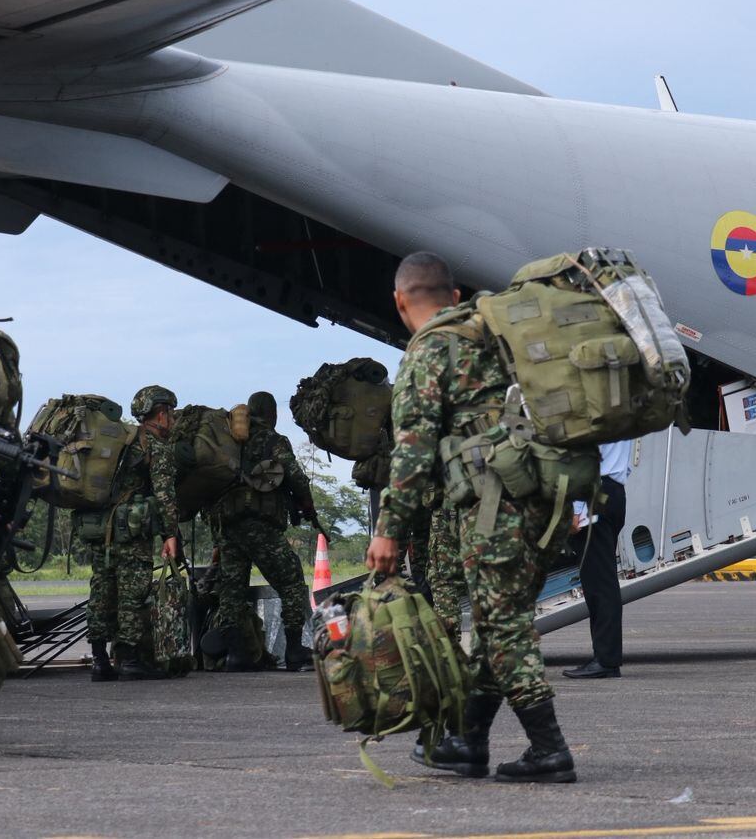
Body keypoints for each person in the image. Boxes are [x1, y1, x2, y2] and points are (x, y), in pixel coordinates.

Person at [367, 253, 584, 783]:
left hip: (494, 507)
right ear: (457, 295)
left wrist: (389, 529)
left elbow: (414, 452)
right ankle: (466, 742)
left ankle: (549, 749)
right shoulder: (502, 338)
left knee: (503, 627)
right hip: (547, 496)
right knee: (493, 626)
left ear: (400, 302)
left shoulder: (428, 352)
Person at [208, 391, 316, 673]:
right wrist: (307, 502)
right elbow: (293, 473)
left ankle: (236, 655)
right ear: (271, 414)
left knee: (232, 591)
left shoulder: (229, 442)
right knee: (291, 580)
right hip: (259, 525)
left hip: (228, 526)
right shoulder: (272, 440)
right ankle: (294, 650)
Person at [85, 385, 181, 682]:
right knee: (132, 593)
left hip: (101, 530)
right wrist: (170, 534)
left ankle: (100, 660)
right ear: (162, 413)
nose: (173, 419)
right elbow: (164, 495)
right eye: (171, 413)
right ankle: (129, 660)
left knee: (102, 589)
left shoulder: (119, 441)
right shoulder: (154, 446)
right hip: (132, 532)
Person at [563, 441, 631, 680]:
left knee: (599, 584)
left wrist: (576, 509)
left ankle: (606, 660)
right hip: (612, 491)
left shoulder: (595, 412)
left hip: (593, 495)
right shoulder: (618, 413)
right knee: (603, 580)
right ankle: (605, 657)